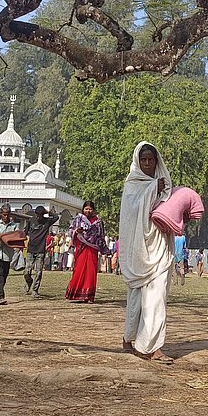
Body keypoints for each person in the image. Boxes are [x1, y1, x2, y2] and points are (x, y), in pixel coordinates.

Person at [120, 141, 175, 363]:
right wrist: (153, 189)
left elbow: (172, 210)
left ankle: (153, 347)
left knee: (156, 298)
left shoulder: (166, 183)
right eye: (143, 160)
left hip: (160, 246)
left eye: (151, 159)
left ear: (157, 161)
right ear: (137, 161)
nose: (147, 163)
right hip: (139, 249)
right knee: (136, 299)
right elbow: (131, 213)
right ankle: (129, 338)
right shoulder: (132, 185)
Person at [65, 200, 112, 302]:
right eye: (86, 209)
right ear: (83, 209)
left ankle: (88, 296)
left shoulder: (98, 221)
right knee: (79, 269)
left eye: (90, 209)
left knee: (91, 270)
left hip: (92, 248)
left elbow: (101, 235)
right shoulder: (79, 218)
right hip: (81, 246)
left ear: (93, 210)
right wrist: (76, 232)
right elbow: (71, 229)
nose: (88, 211)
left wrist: (104, 248)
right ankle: (76, 293)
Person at [24, 206, 59, 298]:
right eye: (37, 215)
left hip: (40, 250)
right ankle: (29, 281)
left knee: (39, 272)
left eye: (40, 215)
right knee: (27, 271)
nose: (38, 217)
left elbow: (56, 217)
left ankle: (35, 290)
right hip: (30, 249)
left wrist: (48, 212)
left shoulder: (47, 221)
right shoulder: (31, 221)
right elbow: (25, 232)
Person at [0, 204, 19, 305]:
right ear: (1, 214)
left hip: (8, 254)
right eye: (4, 214)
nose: (6, 217)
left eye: (7, 215)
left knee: (4, 276)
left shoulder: (14, 226)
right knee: (0, 275)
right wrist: (0, 242)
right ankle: (1, 297)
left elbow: (16, 239)